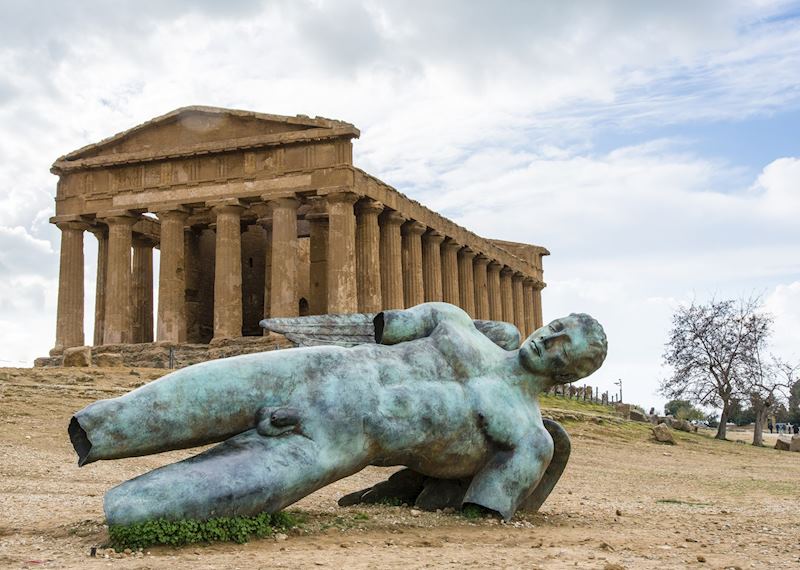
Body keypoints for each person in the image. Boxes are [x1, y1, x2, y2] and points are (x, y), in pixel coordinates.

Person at [69, 302, 607, 525]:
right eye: (555, 327)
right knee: (120, 415)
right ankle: (96, 433)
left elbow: (480, 510)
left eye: (566, 349)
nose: (549, 340)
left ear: (574, 376)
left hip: (338, 441)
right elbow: (376, 327)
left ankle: (133, 510)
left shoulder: (528, 440)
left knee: (136, 511)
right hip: (317, 367)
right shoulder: (453, 320)